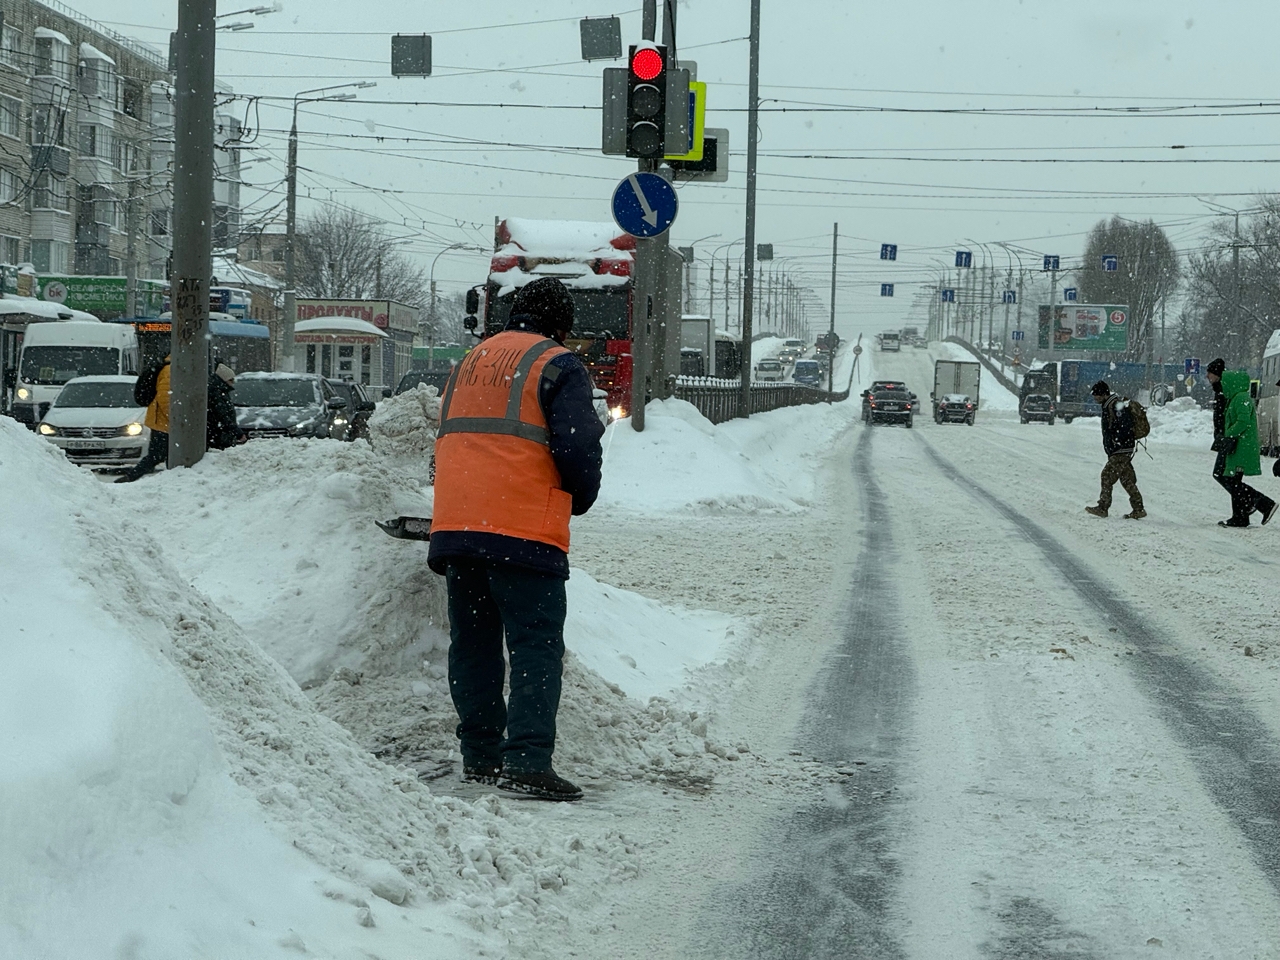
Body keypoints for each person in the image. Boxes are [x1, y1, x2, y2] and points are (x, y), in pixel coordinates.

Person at [428, 277, 604, 802]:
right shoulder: (557, 363)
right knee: (535, 645)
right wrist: (580, 495)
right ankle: (527, 759)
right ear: (562, 324)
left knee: (474, 645)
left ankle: (480, 756)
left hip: (458, 526)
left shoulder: (469, 362)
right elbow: (579, 446)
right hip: (522, 527)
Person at [1209, 362, 1276, 527]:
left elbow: (1243, 421)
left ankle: (1262, 503)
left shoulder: (1239, 398)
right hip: (1233, 443)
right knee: (1231, 478)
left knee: (1227, 477)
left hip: (1238, 445)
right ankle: (1241, 515)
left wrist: (1227, 433)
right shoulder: (1234, 397)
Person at [1085, 380, 1146, 519]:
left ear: (1104, 394)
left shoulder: (1116, 405)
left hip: (1121, 449)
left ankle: (1103, 507)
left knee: (1106, 476)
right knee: (1126, 479)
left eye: (1096, 395)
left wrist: (1116, 441)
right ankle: (1138, 509)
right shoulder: (1109, 405)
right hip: (1120, 449)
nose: (1095, 398)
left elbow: (1125, 426)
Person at [116, 355, 170, 483]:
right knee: (157, 455)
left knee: (163, 454)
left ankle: (172, 479)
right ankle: (130, 477)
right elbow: (165, 398)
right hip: (163, 421)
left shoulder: (168, 368)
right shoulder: (170, 371)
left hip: (161, 420)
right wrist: (175, 419)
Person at [207, 362, 245, 450]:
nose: (233, 383)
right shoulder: (217, 393)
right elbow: (223, 416)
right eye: (231, 380)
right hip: (218, 436)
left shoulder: (218, 390)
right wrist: (237, 432)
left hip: (217, 434)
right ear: (224, 379)